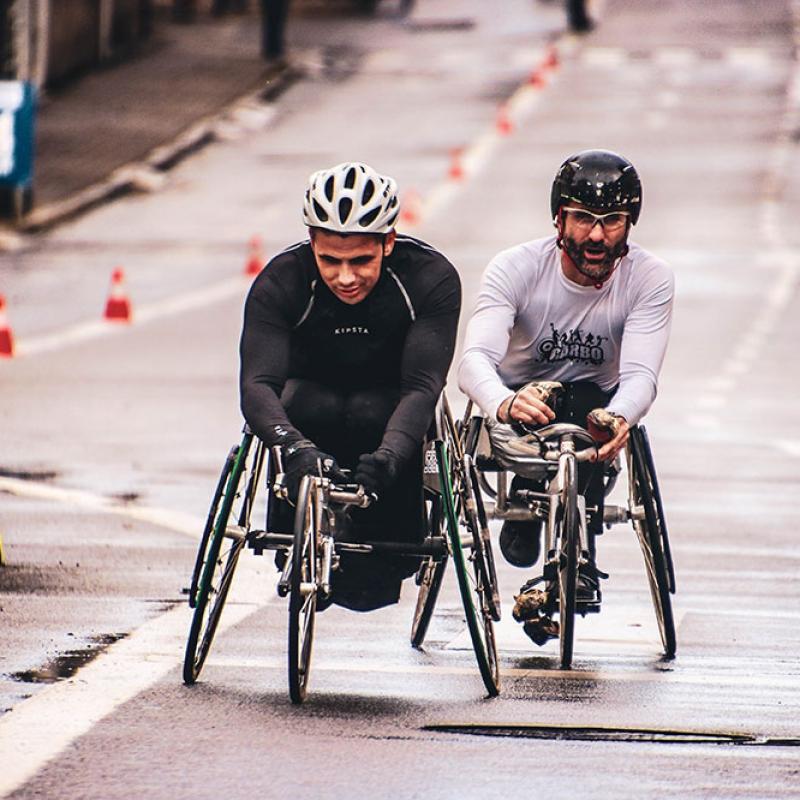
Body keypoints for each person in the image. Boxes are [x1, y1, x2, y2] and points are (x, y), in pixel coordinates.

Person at [457, 149, 674, 642]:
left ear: (629, 224)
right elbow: (472, 362)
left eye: (612, 221)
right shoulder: (515, 267)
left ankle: (577, 559)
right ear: (559, 218)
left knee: (587, 404)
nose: (596, 236)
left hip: (593, 406)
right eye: (582, 219)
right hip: (517, 403)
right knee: (558, 400)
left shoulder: (650, 278)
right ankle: (530, 509)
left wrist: (620, 417)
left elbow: (641, 374)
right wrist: (504, 403)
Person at [240, 162, 461, 611]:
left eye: (361, 260)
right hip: (310, 406)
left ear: (389, 242)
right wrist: (293, 448)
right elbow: (257, 384)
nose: (345, 277)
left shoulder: (429, 278)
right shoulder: (281, 280)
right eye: (330, 260)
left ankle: (380, 541)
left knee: (372, 411)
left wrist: (391, 457)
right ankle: (299, 537)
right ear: (311, 244)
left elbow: (423, 387)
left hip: (388, 409)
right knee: (302, 402)